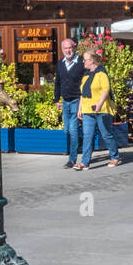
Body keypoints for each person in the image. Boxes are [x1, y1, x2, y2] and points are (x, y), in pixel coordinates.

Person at [75, 50, 121, 169]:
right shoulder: (85, 75)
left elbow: (106, 90)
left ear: (92, 60)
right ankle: (84, 162)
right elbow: (82, 94)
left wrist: (100, 104)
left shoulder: (102, 73)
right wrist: (79, 109)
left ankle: (115, 157)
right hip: (87, 110)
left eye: (85, 59)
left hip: (101, 110)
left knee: (106, 135)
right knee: (87, 136)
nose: (83, 62)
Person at [54, 38, 85, 169]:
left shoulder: (81, 62)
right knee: (67, 130)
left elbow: (85, 84)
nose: (68, 50)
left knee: (72, 130)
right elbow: (57, 82)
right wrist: (56, 99)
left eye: (70, 48)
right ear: (62, 50)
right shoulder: (60, 63)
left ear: (74, 48)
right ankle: (81, 140)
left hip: (76, 100)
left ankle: (72, 159)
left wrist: (82, 104)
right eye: (65, 48)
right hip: (65, 102)